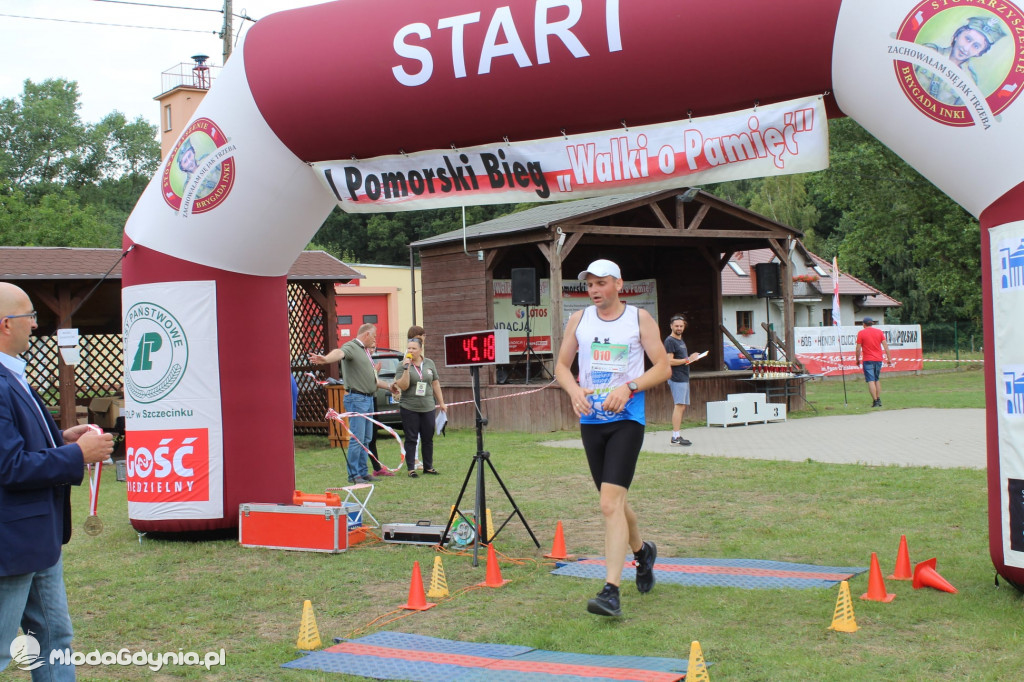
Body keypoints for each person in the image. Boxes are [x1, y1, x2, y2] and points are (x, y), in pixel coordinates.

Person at [0, 282, 115, 679]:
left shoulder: (13, 376)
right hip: (11, 545)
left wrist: (62, 439)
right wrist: (75, 456)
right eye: (29, 316)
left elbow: (19, 443)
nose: (35, 325)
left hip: (38, 540)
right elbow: (9, 466)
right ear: (4, 325)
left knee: (54, 639)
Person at [554, 259, 671, 617]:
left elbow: (663, 367)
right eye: (589, 283)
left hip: (627, 421)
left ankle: (611, 591)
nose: (593, 289)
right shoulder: (579, 320)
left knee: (609, 504)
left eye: (601, 283)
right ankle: (642, 553)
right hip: (592, 421)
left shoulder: (639, 319)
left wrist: (630, 386)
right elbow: (561, 366)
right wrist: (574, 391)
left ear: (619, 284)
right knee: (615, 502)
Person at [309, 324, 392, 484]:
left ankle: (363, 472)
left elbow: (370, 378)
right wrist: (325, 359)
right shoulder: (352, 347)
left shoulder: (365, 352)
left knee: (366, 438)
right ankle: (354, 475)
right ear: (367, 335)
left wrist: (389, 386)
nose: (375, 340)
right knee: (357, 438)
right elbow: (339, 353)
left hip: (368, 399)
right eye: (374, 337)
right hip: (357, 399)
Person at [915, 16, 1007, 106]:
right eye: (967, 39)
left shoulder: (969, 81)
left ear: (979, 53)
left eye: (976, 46)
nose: (966, 48)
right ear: (957, 35)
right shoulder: (929, 51)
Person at [392, 337, 447, 478]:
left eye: (413, 348)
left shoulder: (429, 363)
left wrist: (441, 403)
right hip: (409, 407)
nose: (410, 351)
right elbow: (403, 386)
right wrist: (406, 368)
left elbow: (435, 383)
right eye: (409, 348)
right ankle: (411, 468)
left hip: (428, 406)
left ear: (420, 350)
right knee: (411, 438)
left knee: (428, 438)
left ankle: (428, 467)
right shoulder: (401, 365)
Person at [664, 314, 702, 446]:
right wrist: (687, 360)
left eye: (681, 326)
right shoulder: (670, 341)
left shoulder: (681, 340)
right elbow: (669, 361)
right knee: (679, 405)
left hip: (684, 377)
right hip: (677, 377)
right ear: (671, 326)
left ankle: (677, 434)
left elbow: (684, 360)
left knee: (682, 406)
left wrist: (691, 359)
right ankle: (675, 436)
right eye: (676, 326)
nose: (679, 328)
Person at [855, 316, 892, 408]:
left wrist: (857, 359)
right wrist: (889, 358)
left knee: (870, 380)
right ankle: (878, 399)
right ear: (872, 323)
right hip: (878, 359)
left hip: (868, 359)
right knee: (876, 379)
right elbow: (886, 346)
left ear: (864, 324)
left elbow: (858, 348)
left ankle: (875, 401)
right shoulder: (879, 332)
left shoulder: (861, 333)